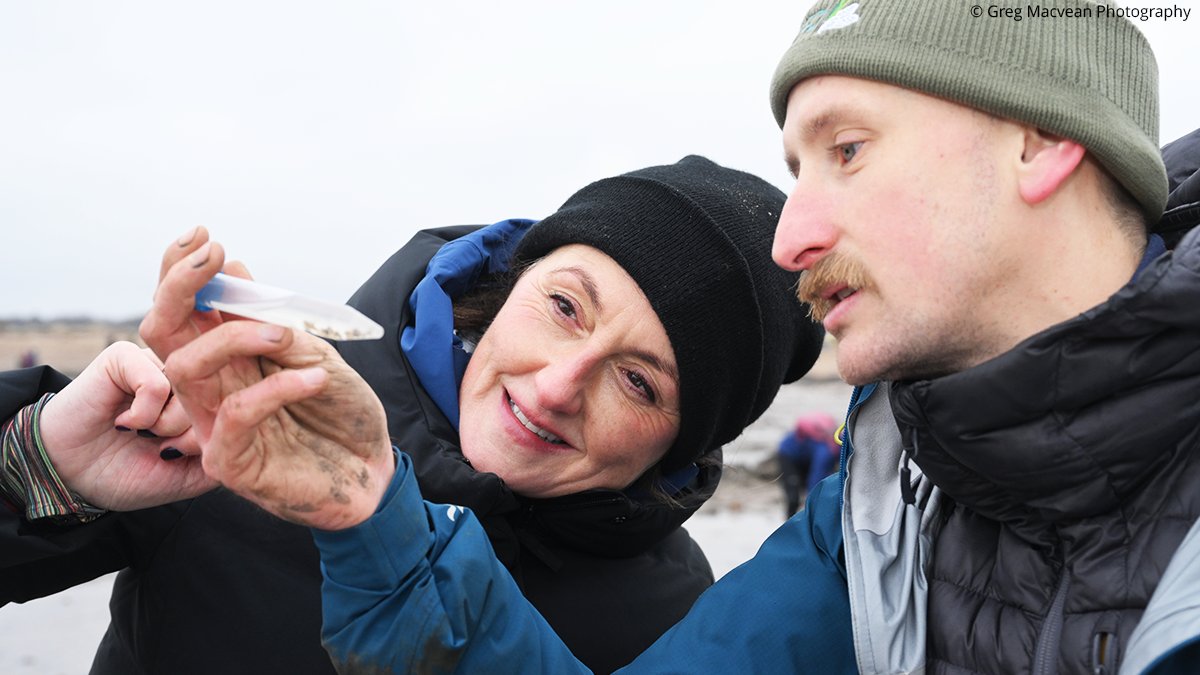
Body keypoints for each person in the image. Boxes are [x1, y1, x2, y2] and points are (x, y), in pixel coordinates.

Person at [145, 1, 1200, 673]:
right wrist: (371, 511)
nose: (794, 238)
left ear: (1043, 145)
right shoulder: (877, 507)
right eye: (797, 170)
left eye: (848, 149)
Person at [0, 156, 824, 674]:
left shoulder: (676, 622)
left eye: (641, 382)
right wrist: (39, 462)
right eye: (566, 306)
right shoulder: (248, 405)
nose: (555, 387)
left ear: (682, 443)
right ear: (508, 287)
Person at [776, 412, 837, 518]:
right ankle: (788, 525)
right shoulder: (825, 452)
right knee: (793, 496)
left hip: (807, 456)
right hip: (789, 455)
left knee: (822, 492)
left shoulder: (834, 446)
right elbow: (816, 478)